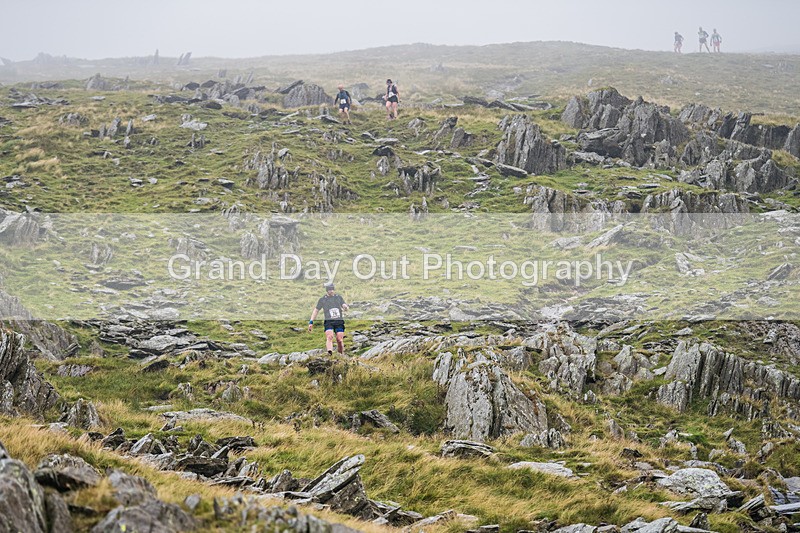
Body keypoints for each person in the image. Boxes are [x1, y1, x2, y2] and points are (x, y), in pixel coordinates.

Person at [308, 282, 349, 356]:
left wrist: (345, 307)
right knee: (329, 336)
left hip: (339, 321)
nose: (331, 291)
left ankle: (341, 355)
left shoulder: (338, 297)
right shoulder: (322, 299)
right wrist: (311, 322)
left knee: (339, 339)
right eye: (330, 290)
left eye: (332, 289)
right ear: (327, 291)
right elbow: (316, 310)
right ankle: (329, 353)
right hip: (328, 322)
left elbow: (344, 305)